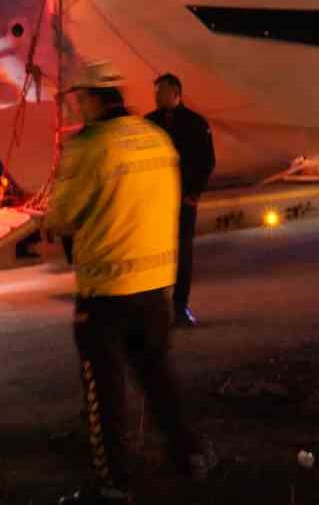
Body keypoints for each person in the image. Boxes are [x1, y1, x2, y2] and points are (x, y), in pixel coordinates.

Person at [45, 60, 213, 503]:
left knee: (105, 390)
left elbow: (62, 217)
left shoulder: (90, 146)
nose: (77, 106)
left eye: (80, 97)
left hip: (106, 292)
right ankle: (189, 454)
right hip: (156, 288)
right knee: (158, 377)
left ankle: (114, 483)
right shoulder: (155, 137)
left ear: (95, 98)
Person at [145, 73, 216, 328]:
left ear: (175, 92)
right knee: (152, 255)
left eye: (160, 91)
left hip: (183, 201)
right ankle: (155, 308)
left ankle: (179, 308)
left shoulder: (195, 123)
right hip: (154, 202)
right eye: (154, 92)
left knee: (183, 255)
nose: (155, 96)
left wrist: (194, 194)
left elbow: (207, 161)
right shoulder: (148, 123)